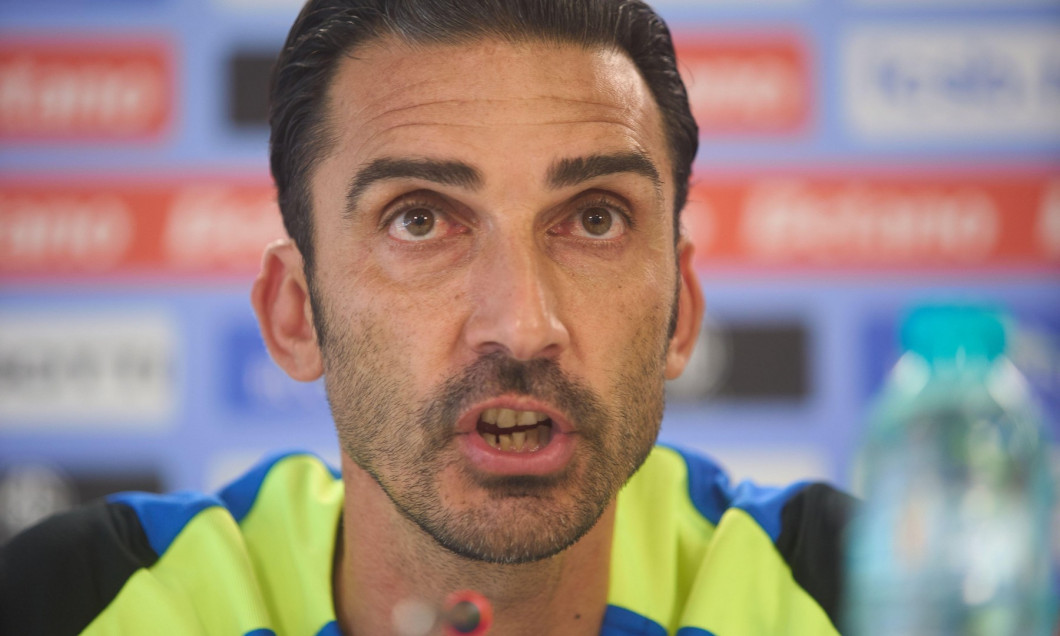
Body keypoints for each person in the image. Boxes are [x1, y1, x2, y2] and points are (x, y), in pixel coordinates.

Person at [0, 1, 854, 634]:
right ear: (296, 313)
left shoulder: (859, 588)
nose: (522, 326)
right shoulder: (74, 601)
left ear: (680, 309)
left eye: (595, 218)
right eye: (420, 219)